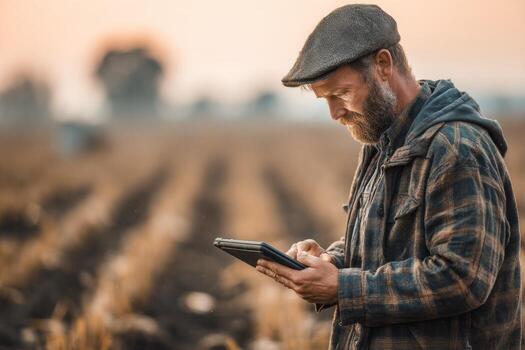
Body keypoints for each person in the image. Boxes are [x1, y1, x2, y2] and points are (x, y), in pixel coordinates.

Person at [255, 4, 522, 349]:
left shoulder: (457, 149)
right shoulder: (383, 141)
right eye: (326, 100)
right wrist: (329, 262)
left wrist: (343, 287)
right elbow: (387, 249)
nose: (335, 113)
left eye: (341, 94)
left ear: (383, 65)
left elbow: (463, 278)